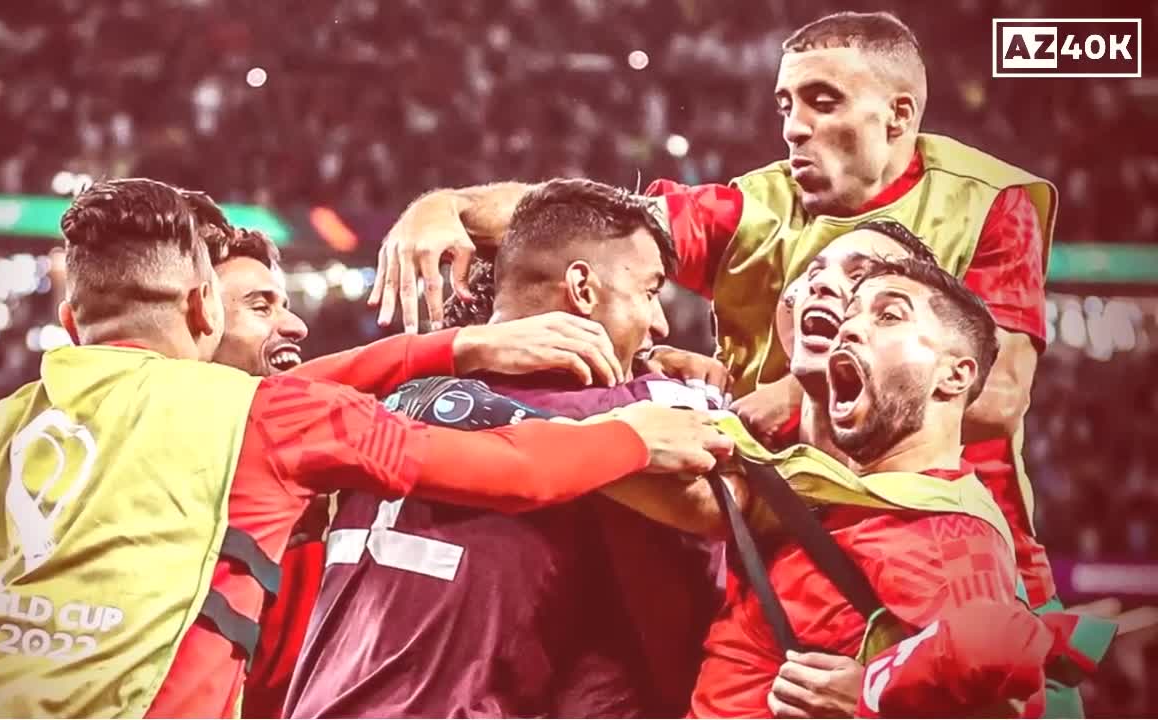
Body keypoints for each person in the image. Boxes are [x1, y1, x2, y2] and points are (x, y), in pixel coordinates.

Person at [0, 178, 733, 718]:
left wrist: (453, 349)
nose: (288, 325)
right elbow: (515, 469)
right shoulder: (259, 420)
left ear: (71, 321)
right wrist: (632, 433)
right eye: (256, 305)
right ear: (203, 310)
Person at [368, 10, 1060, 622]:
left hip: (943, 549)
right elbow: (600, 229)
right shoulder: (752, 208)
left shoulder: (988, 203)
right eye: (787, 104)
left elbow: (997, 396)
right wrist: (447, 206)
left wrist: (797, 386)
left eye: (824, 102)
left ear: (899, 117)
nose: (796, 127)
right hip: (779, 543)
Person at [286, 180, 726, 718]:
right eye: (651, 292)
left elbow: (260, 399)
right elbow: (731, 503)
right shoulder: (621, 407)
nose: (658, 324)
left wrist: (448, 209)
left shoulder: (383, 401)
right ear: (582, 289)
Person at [760, 222, 1113, 719]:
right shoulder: (824, 489)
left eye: (887, 315)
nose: (849, 324)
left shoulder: (947, 533)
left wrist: (873, 696)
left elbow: (1003, 684)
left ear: (954, 374)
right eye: (853, 310)